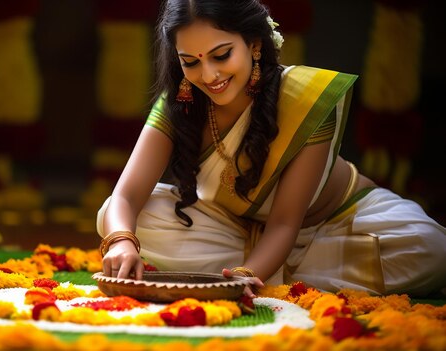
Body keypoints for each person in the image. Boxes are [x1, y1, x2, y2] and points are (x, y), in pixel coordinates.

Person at [96, 0, 446, 298]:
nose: (209, 75)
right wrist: (122, 242)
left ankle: (257, 271)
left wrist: (246, 274)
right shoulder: (178, 105)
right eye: (191, 61)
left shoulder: (304, 98)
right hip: (236, 230)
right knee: (118, 214)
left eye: (221, 55)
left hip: (340, 222)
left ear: (253, 44)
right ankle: (298, 270)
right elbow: (125, 196)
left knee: (431, 250)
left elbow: (283, 224)